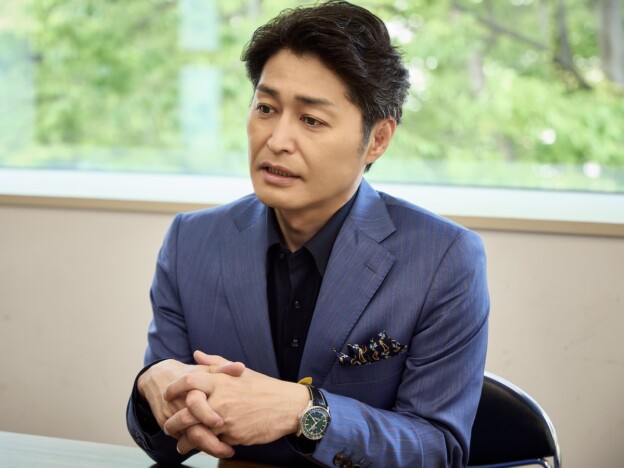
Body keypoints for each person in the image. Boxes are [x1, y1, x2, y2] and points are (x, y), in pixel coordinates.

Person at [126, 1, 489, 467]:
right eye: (266, 108)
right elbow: (163, 447)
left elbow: (440, 450)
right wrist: (151, 386)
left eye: (311, 119)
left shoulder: (444, 258)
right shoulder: (191, 242)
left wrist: (304, 411)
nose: (276, 140)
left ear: (377, 139)